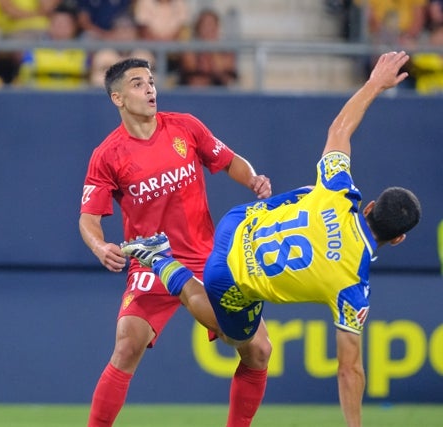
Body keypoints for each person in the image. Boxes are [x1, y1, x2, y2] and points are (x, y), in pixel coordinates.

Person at [121, 51, 421, 427]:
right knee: (232, 336)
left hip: (239, 221)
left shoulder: (341, 190)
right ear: (398, 240)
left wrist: (374, 84)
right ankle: (161, 258)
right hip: (231, 275)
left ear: (371, 206)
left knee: (311, 192)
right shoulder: (353, 288)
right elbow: (350, 370)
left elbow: (340, 130)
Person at [79, 57, 271, 427]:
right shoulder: (107, 156)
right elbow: (88, 218)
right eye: (138, 83)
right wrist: (99, 246)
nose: (150, 89)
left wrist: (252, 179)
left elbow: (229, 160)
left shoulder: (185, 127)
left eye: (151, 81)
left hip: (206, 258)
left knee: (258, 350)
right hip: (152, 260)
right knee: (127, 345)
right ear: (117, 98)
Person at [178, 8, 238, 88]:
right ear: (198, 28)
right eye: (205, 25)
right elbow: (193, 74)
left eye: (212, 25)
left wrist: (212, 54)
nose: (209, 29)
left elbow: (227, 77)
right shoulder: (189, 50)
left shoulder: (227, 51)